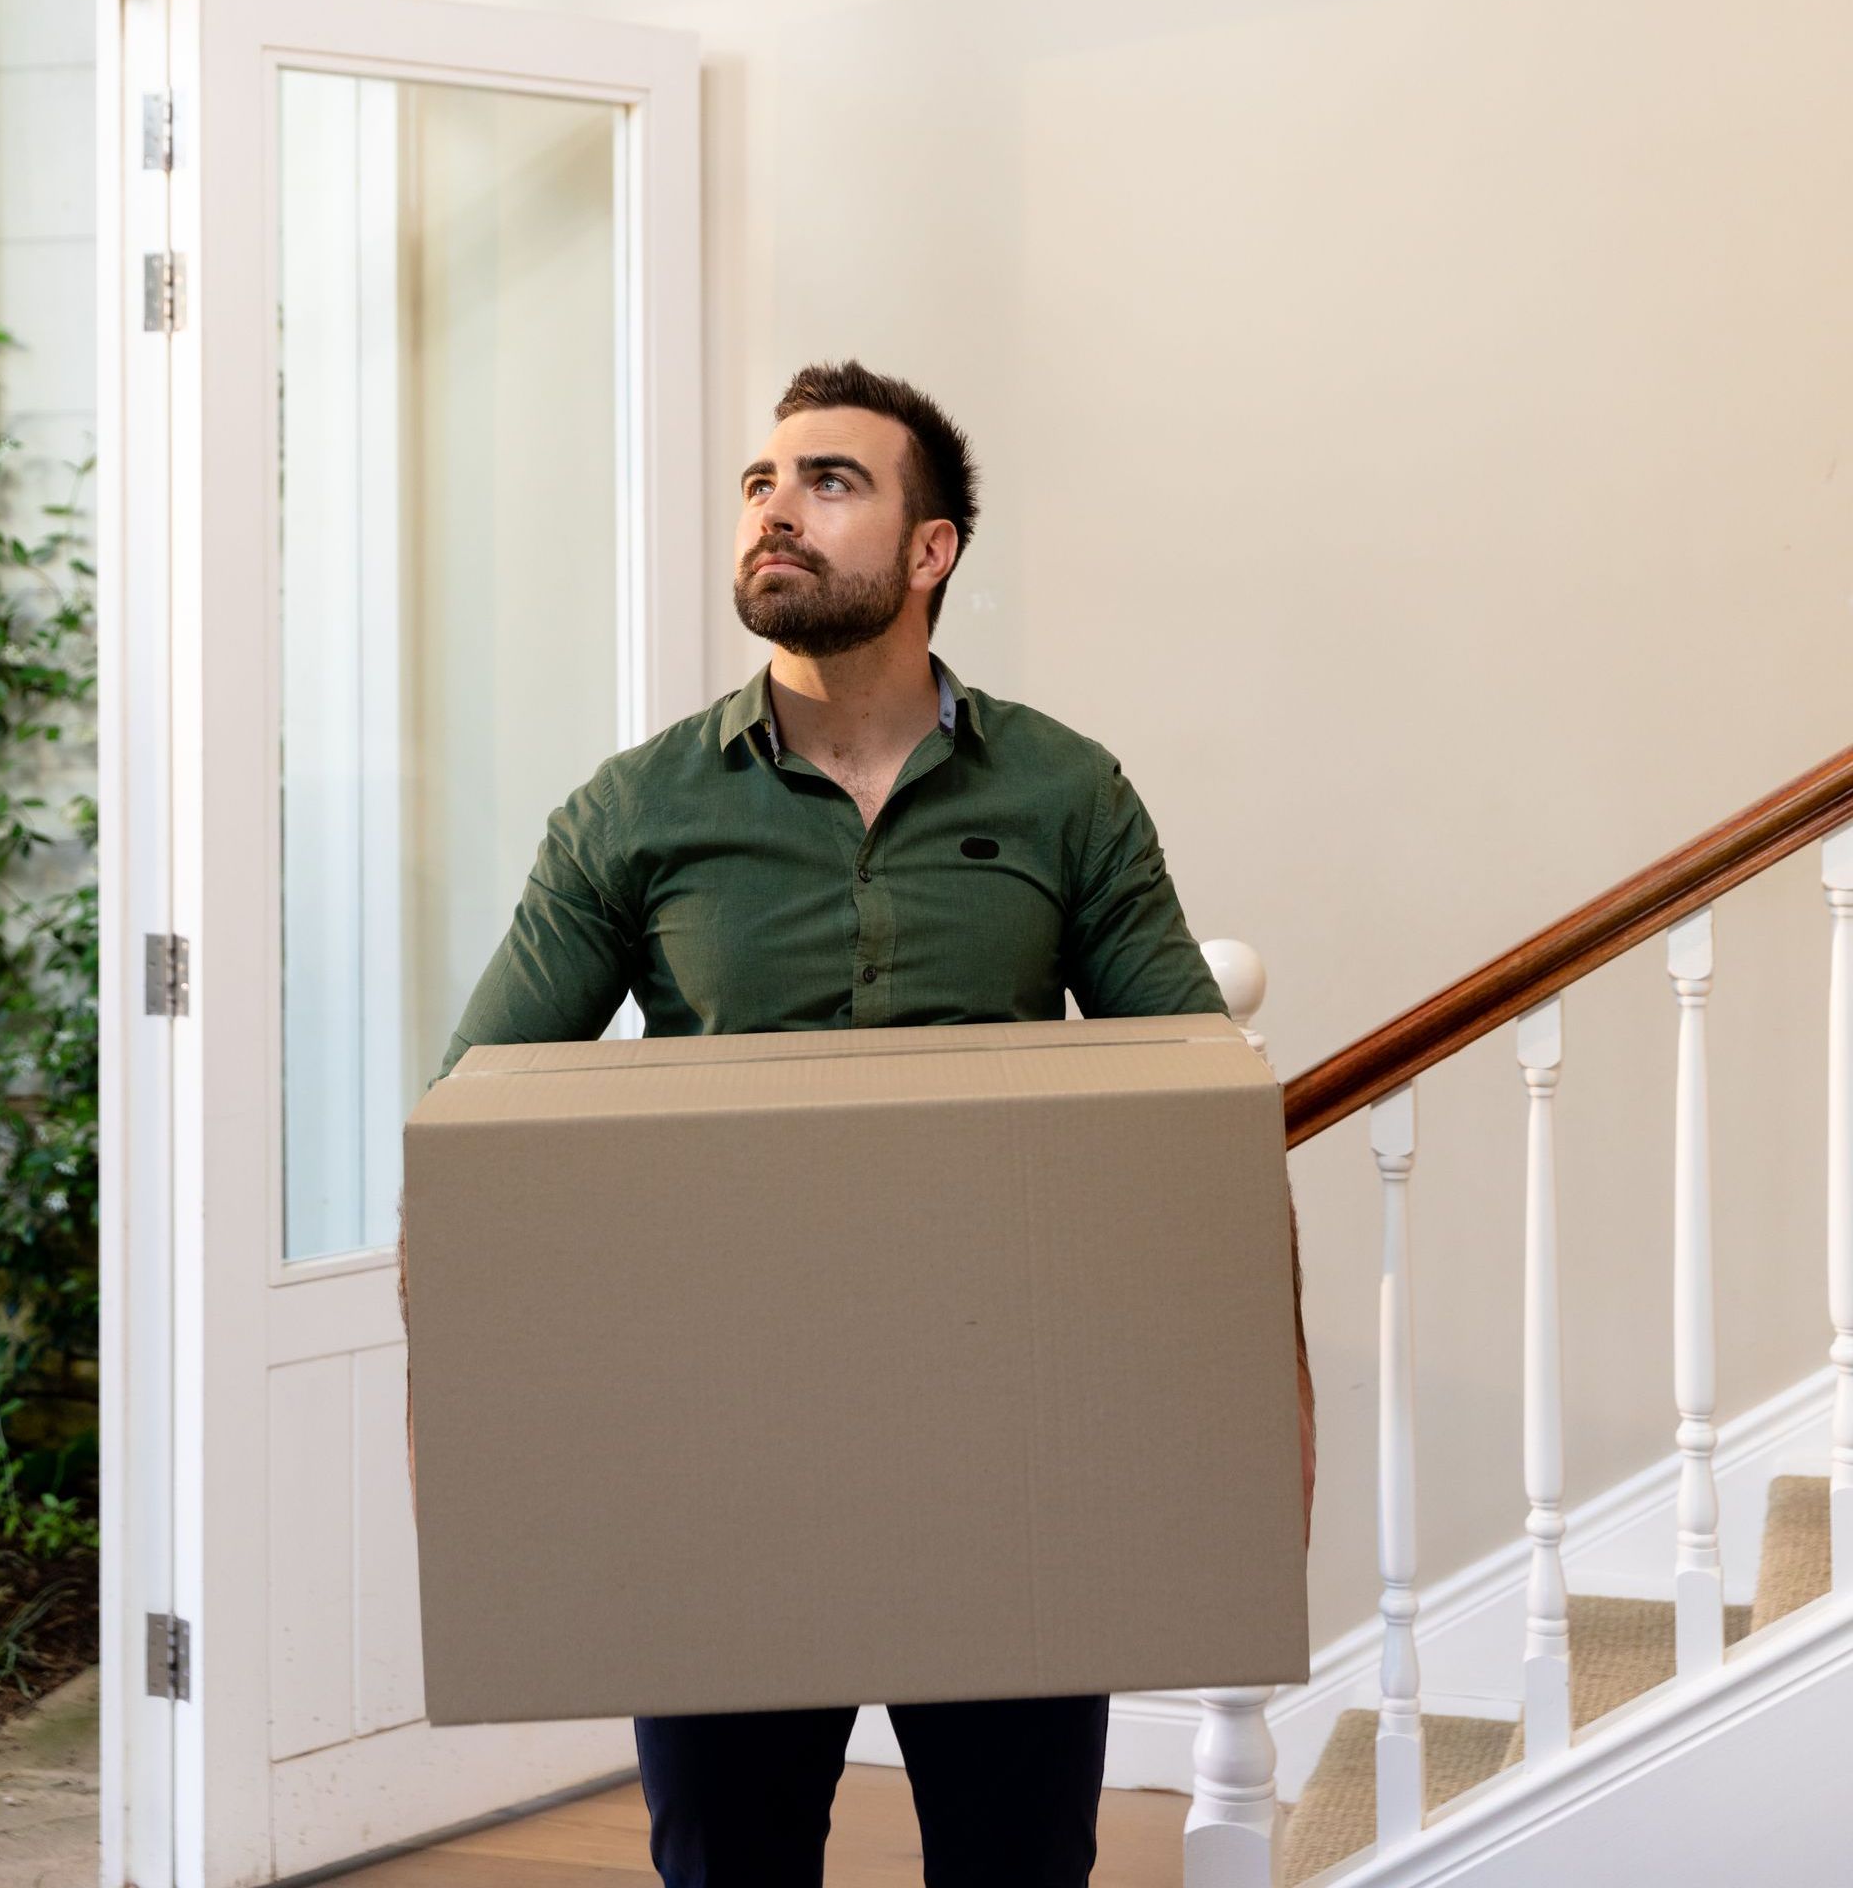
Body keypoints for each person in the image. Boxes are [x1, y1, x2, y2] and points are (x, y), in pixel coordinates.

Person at [400, 357, 1315, 1888]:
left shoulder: (1064, 793)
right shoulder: (634, 812)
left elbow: (1199, 1106)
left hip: (1010, 1435)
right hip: (721, 1451)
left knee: (1017, 1864)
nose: (775, 508)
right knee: (729, 1866)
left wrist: (1268, 1401)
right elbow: (473, 1130)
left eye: (829, 482)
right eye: (762, 482)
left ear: (931, 548)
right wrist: (463, 1423)